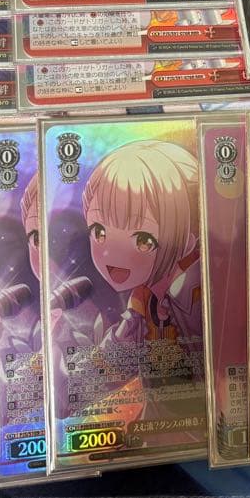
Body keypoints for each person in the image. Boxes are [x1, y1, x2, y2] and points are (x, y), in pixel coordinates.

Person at [81, 139, 201, 346]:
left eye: (143, 240)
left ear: (188, 241)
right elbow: (110, 360)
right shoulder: (141, 302)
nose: (110, 254)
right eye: (99, 232)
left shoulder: (199, 297)